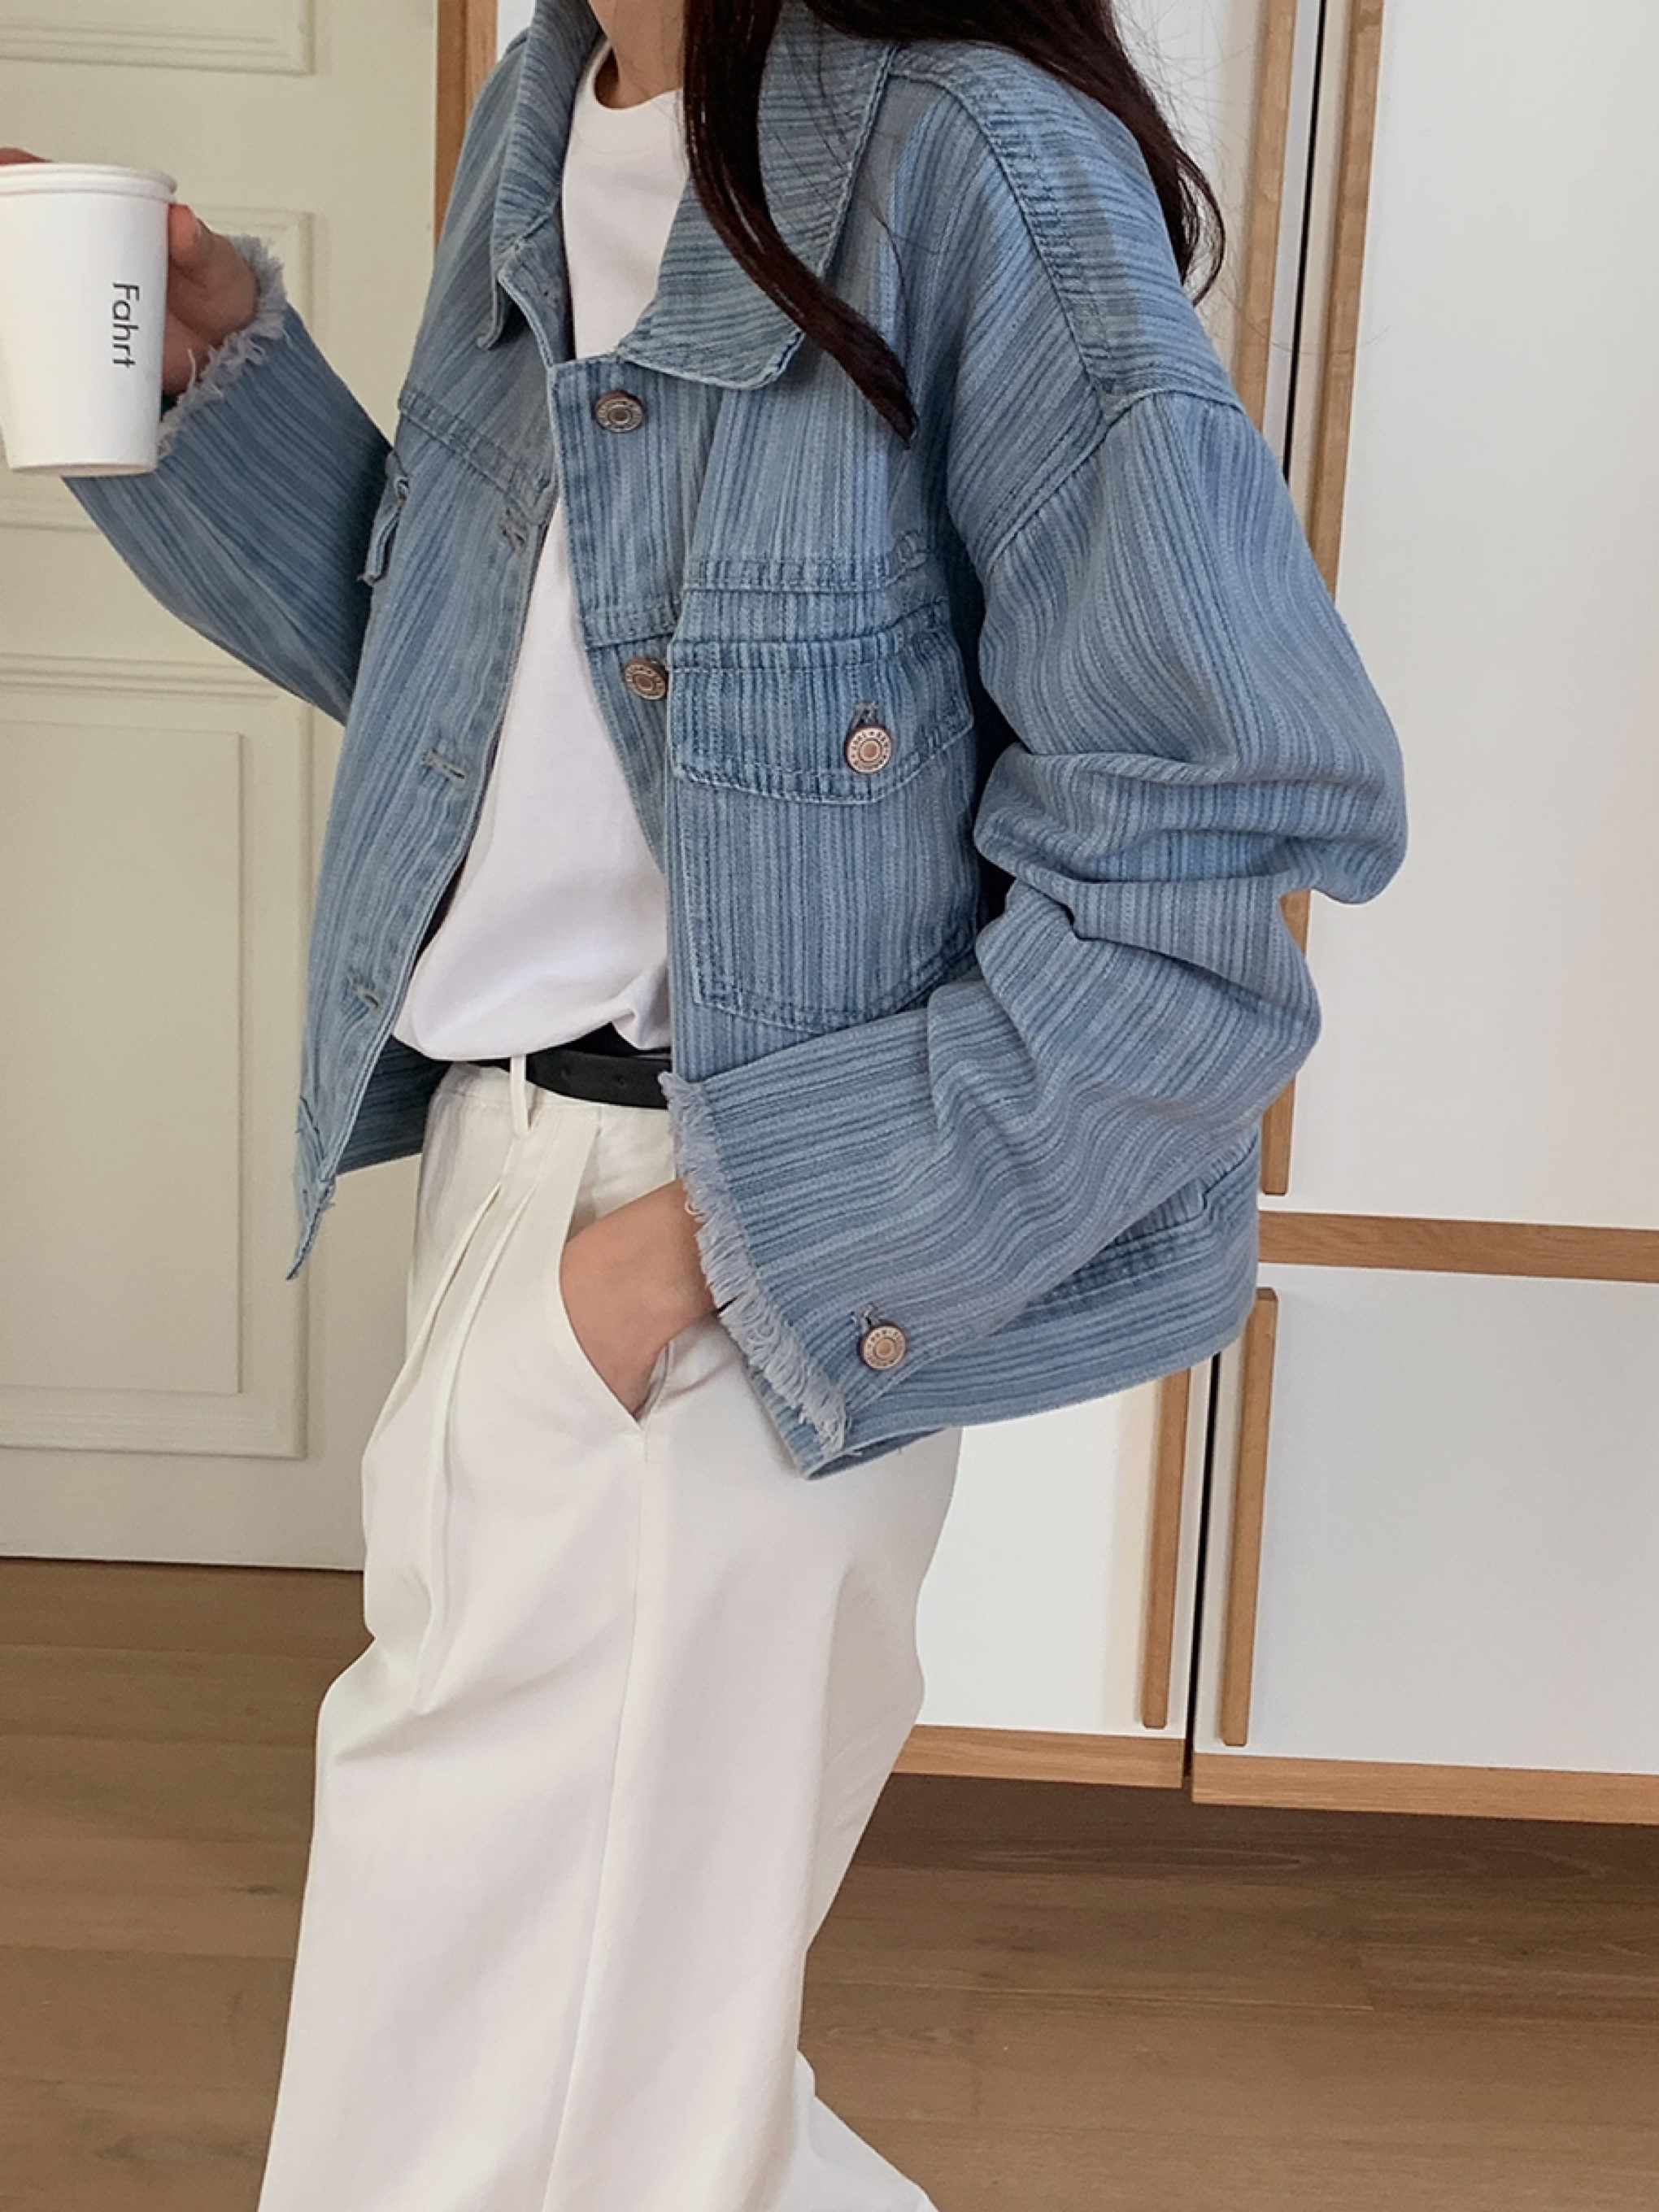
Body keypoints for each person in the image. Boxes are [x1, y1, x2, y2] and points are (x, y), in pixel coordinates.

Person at [5, 0, 1405, 2203]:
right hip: (514, 1194)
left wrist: (700, 1263)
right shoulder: (554, 102)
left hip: (728, 1261)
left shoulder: (968, 160)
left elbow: (1205, 857)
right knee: (616, 2084)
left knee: (487, 2121)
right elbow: (482, 700)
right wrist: (207, 393)